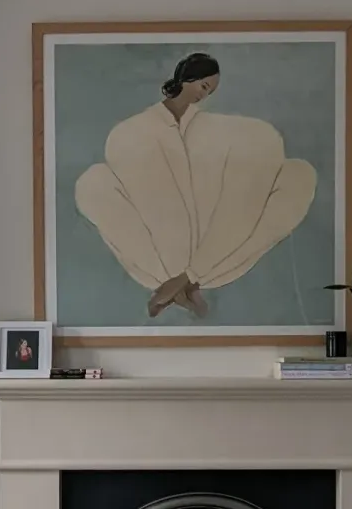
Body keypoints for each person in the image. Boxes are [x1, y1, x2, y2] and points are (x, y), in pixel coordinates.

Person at [74, 52, 317, 317]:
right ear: (187, 79)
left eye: (210, 91)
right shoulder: (132, 131)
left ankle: (182, 281)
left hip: (216, 254)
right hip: (162, 256)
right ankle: (180, 282)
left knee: (298, 175)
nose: (204, 95)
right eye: (204, 86)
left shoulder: (215, 130)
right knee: (91, 184)